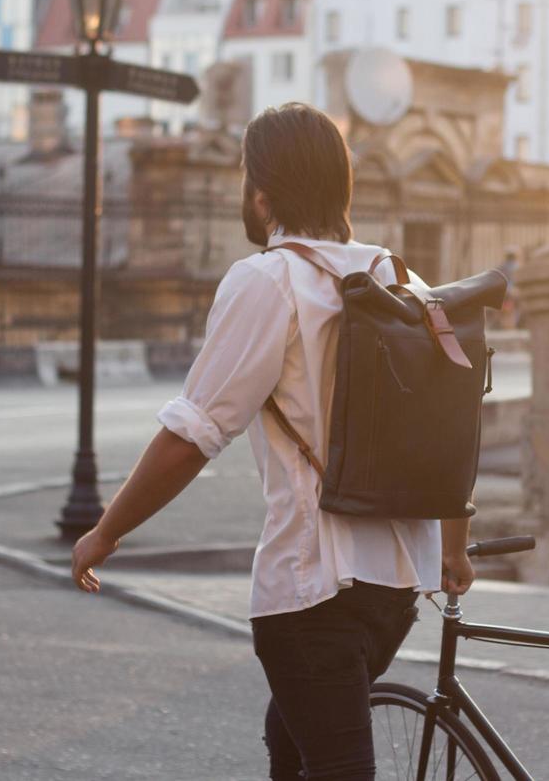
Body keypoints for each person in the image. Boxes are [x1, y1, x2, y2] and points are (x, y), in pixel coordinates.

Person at [70, 102, 476, 780]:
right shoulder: (402, 282)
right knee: (290, 737)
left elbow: (193, 435)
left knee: (336, 761)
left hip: (314, 586)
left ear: (261, 195)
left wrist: (105, 533)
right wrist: (454, 550)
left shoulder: (268, 281)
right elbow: (447, 429)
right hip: (395, 586)